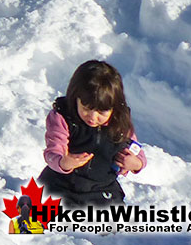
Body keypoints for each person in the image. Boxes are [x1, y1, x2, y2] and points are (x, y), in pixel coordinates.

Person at [38, 60, 147, 206]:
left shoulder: (119, 124)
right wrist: (64, 162)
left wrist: (135, 163)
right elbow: (52, 151)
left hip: (102, 189)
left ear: (114, 107)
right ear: (75, 97)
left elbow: (136, 151)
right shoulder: (63, 118)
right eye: (86, 108)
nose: (93, 117)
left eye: (101, 111)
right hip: (61, 184)